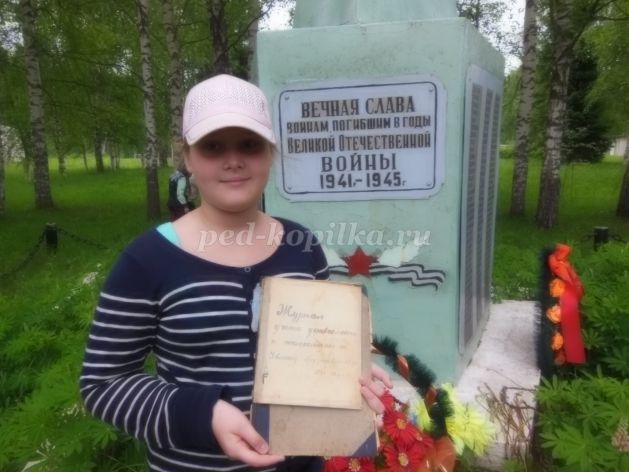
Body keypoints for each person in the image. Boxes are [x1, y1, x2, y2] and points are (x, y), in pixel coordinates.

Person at [80, 74, 391, 472]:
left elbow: (317, 352)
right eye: (212, 146)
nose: (233, 160)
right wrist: (202, 414)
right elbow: (103, 384)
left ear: (270, 153)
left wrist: (348, 375)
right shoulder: (147, 260)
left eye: (249, 144)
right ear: (187, 158)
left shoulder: (303, 247)